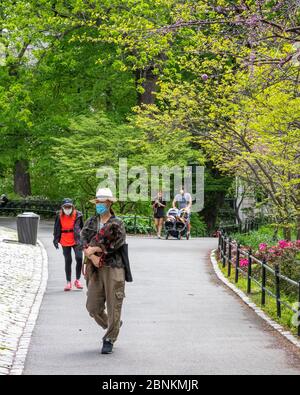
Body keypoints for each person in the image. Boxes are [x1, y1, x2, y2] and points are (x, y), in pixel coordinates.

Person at [81, 188, 130, 355]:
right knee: (92, 307)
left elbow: (116, 244)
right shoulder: (91, 222)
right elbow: (82, 238)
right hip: (94, 268)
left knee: (114, 303)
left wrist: (94, 249)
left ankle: (109, 338)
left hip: (113, 267)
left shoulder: (117, 223)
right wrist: (91, 255)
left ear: (109, 203)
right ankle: (113, 324)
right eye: (97, 203)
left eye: (101, 203)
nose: (99, 206)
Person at [53, 198, 84, 292]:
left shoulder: (78, 214)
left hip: (76, 239)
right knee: (68, 260)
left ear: (72, 206)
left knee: (79, 258)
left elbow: (82, 226)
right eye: (65, 207)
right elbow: (56, 227)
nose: (67, 208)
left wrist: (83, 237)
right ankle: (68, 282)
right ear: (62, 207)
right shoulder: (59, 215)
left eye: (69, 206)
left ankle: (77, 280)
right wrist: (55, 239)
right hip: (64, 239)